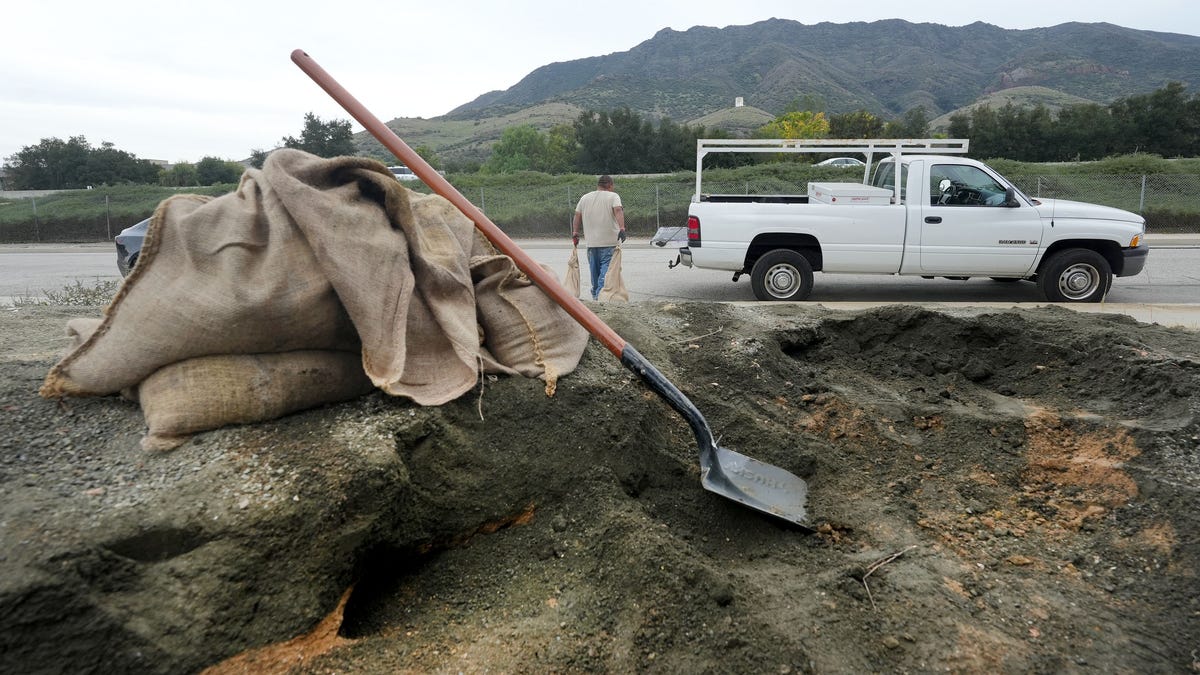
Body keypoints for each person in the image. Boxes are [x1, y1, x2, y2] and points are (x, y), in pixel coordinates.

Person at [571, 175, 626, 300]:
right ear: (610, 185)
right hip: (609, 243)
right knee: (606, 273)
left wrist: (575, 232)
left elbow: (577, 215)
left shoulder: (585, 198)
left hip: (591, 244)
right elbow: (618, 210)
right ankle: (600, 298)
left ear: (599, 185)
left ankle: (596, 296)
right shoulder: (613, 196)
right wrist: (622, 228)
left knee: (594, 274)